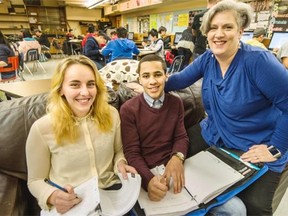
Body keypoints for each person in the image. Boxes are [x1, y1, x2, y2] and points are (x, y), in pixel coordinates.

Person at [165, 0, 288, 215]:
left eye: (227, 27)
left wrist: (276, 147)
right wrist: (151, 84)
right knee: (171, 156)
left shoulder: (259, 62)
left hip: (255, 142)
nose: (218, 34)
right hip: (215, 131)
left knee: (256, 206)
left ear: (240, 31)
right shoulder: (207, 59)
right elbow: (178, 81)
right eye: (213, 28)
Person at [120, 54, 246, 215]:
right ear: (139, 79)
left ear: (166, 76)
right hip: (149, 173)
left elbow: (181, 137)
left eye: (158, 74)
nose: (152, 81)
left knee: (236, 209)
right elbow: (131, 152)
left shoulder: (175, 103)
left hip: (179, 169)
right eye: (146, 76)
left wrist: (177, 157)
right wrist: (148, 180)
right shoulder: (129, 110)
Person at [26, 55, 137, 214]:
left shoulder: (112, 114)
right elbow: (35, 181)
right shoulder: (41, 128)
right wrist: (53, 196)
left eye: (91, 84)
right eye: (75, 85)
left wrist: (120, 163)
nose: (85, 92)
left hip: (111, 194)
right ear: (61, 89)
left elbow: (118, 151)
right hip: (72, 202)